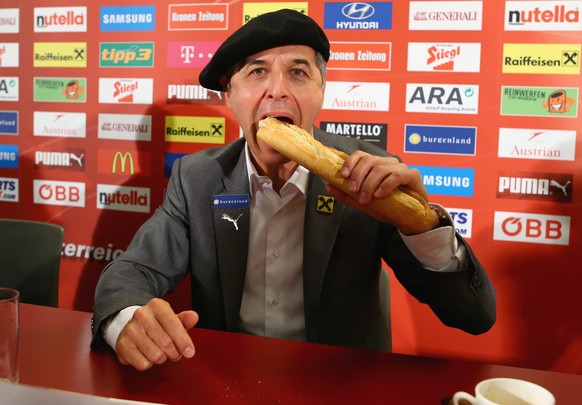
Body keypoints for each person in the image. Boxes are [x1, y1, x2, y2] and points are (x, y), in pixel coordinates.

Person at [91, 9, 496, 371]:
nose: (277, 90)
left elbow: (474, 317)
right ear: (229, 95)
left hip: (338, 386)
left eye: (298, 72)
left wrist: (421, 225)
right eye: (256, 72)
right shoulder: (196, 178)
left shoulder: (368, 176)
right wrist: (127, 319)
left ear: (322, 90)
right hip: (226, 378)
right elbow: (134, 271)